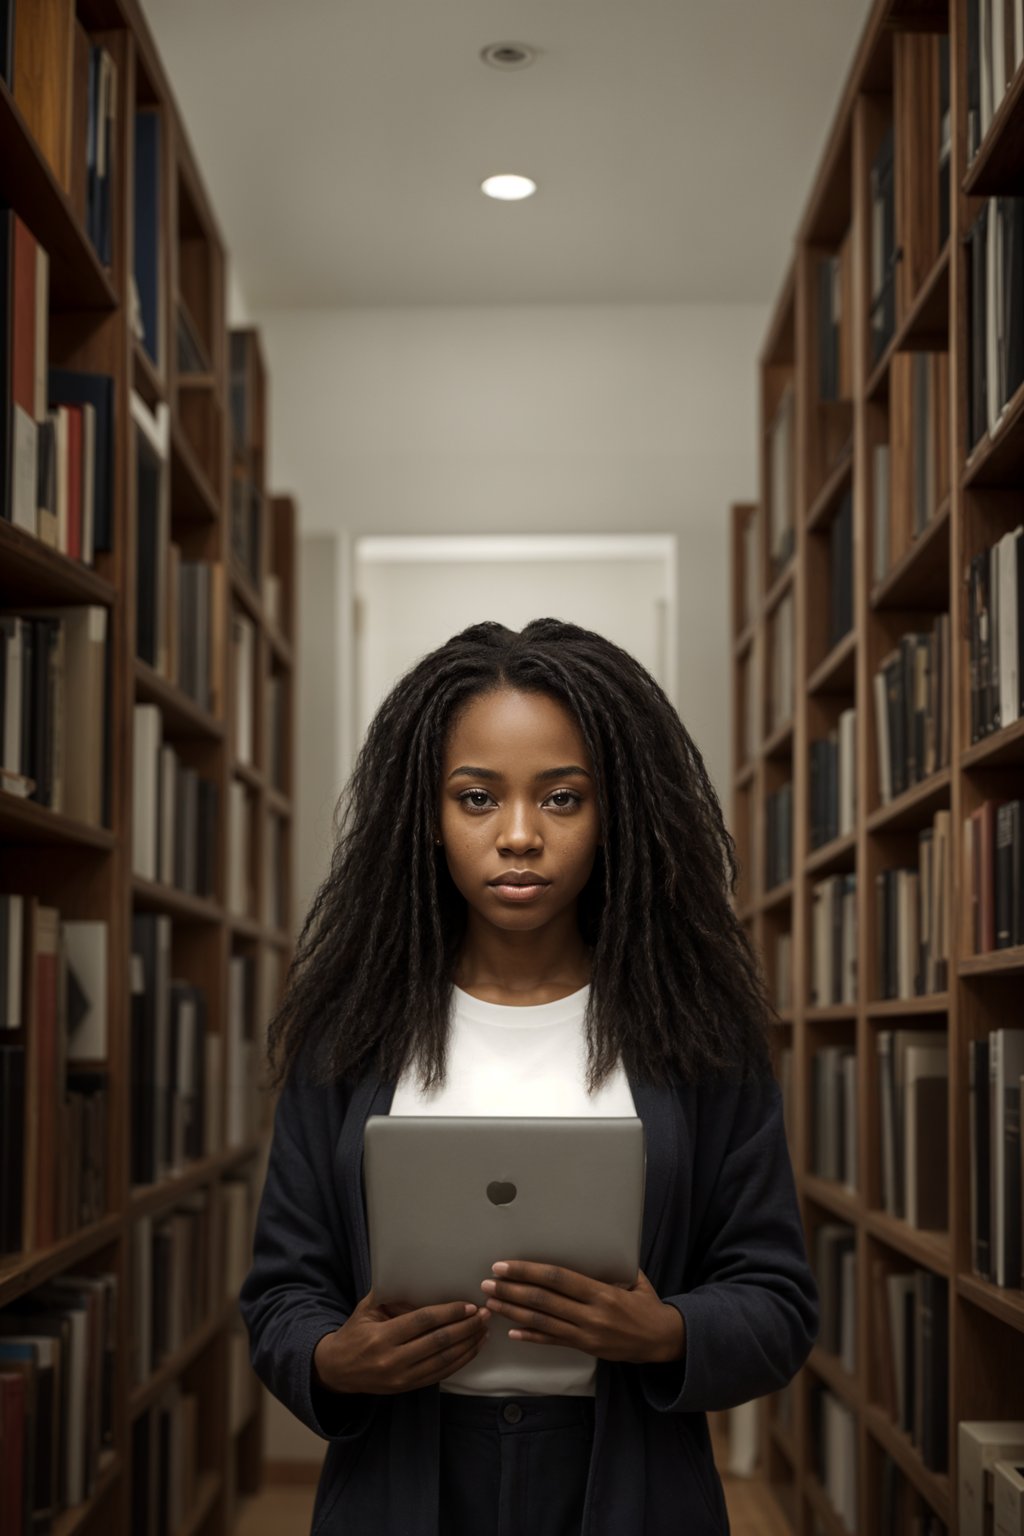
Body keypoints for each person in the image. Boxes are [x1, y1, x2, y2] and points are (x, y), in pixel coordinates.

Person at [239, 617, 819, 1536]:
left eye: (561, 799)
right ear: (423, 817)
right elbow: (279, 1294)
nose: (518, 836)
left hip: (627, 1487)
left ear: (616, 812)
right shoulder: (348, 1037)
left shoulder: (700, 1039)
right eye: (476, 798)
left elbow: (779, 1306)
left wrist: (665, 1332)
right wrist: (333, 1358)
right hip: (404, 1484)